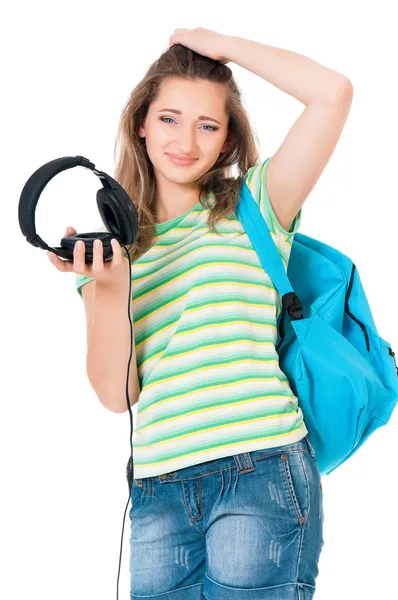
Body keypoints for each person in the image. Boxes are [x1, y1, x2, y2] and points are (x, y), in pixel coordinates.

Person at [49, 30, 354, 600]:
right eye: (169, 118)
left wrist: (219, 47)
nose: (186, 140)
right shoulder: (114, 255)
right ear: (140, 122)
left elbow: (332, 93)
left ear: (227, 138)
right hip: (158, 490)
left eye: (207, 125)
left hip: (259, 469)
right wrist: (111, 287)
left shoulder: (256, 205)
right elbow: (118, 396)